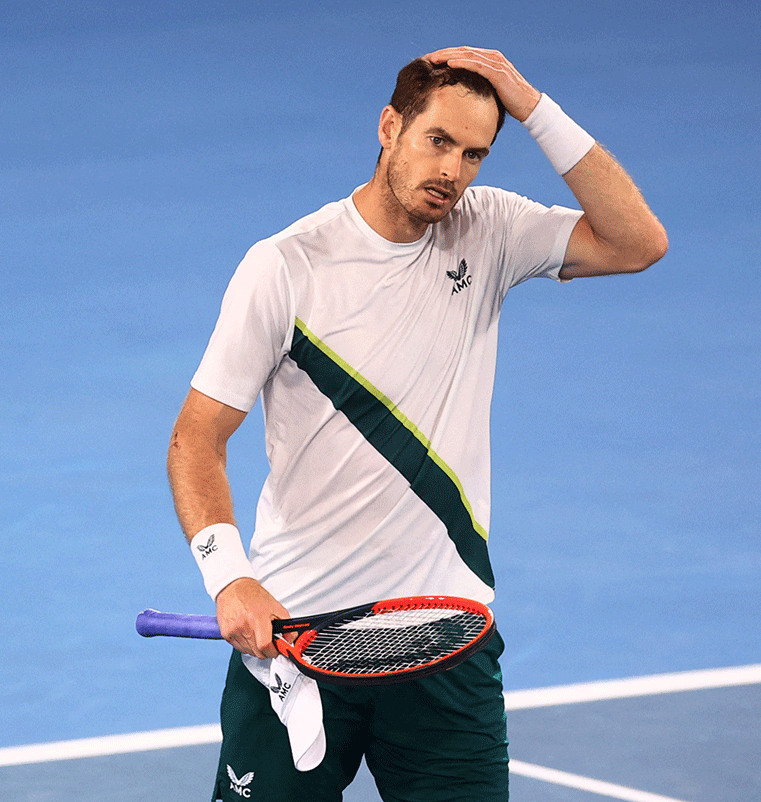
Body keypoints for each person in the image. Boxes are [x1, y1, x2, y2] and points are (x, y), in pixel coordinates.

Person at [167, 46, 667, 802]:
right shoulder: (286, 267)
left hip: (444, 638)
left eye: (474, 154)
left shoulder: (490, 230)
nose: (453, 172)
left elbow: (638, 242)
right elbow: (195, 439)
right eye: (438, 142)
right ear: (389, 126)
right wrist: (229, 575)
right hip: (299, 646)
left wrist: (534, 107)